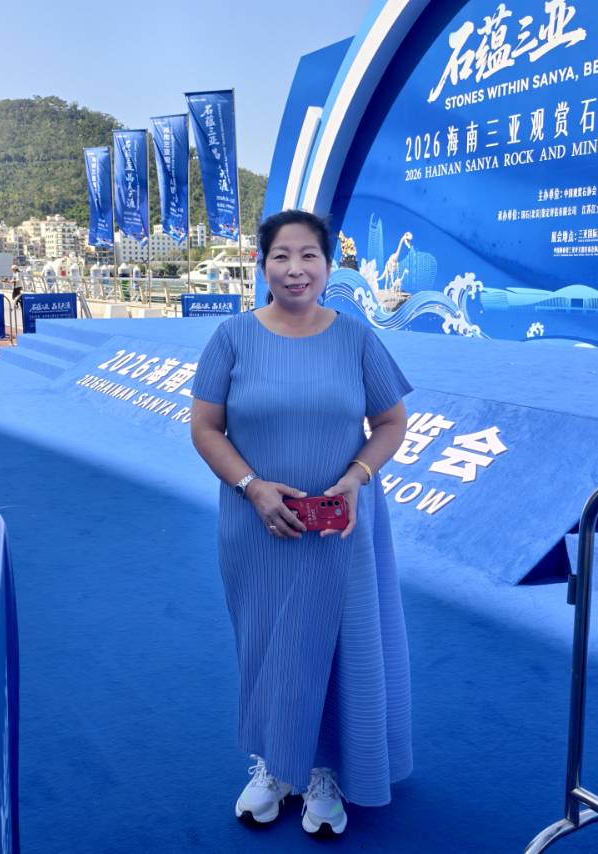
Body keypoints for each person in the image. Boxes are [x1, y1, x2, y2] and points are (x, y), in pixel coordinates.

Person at [191, 209, 413, 837]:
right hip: (256, 529)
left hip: (339, 531)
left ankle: (324, 772)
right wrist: (253, 488)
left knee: (339, 650)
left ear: (327, 265)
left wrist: (357, 476)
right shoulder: (231, 338)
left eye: (309, 255)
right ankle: (276, 765)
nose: (295, 269)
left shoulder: (356, 339)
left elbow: (391, 423)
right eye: (281, 256)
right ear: (262, 265)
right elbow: (205, 428)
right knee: (269, 645)